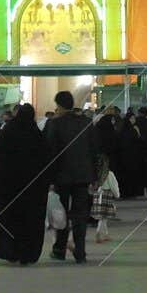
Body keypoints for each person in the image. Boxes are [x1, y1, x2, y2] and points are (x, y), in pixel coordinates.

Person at [0, 102, 53, 265]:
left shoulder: (7, 133)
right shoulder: (37, 136)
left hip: (8, 188)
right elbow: (45, 162)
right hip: (32, 190)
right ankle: (28, 253)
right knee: (30, 220)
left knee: (10, 219)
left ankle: (10, 251)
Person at [43, 90, 98, 263]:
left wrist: (49, 178)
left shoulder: (54, 124)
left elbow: (49, 152)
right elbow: (94, 151)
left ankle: (60, 249)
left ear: (58, 105)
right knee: (80, 215)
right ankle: (80, 252)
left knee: (61, 214)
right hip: (83, 176)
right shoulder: (87, 123)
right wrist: (94, 176)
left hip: (61, 177)